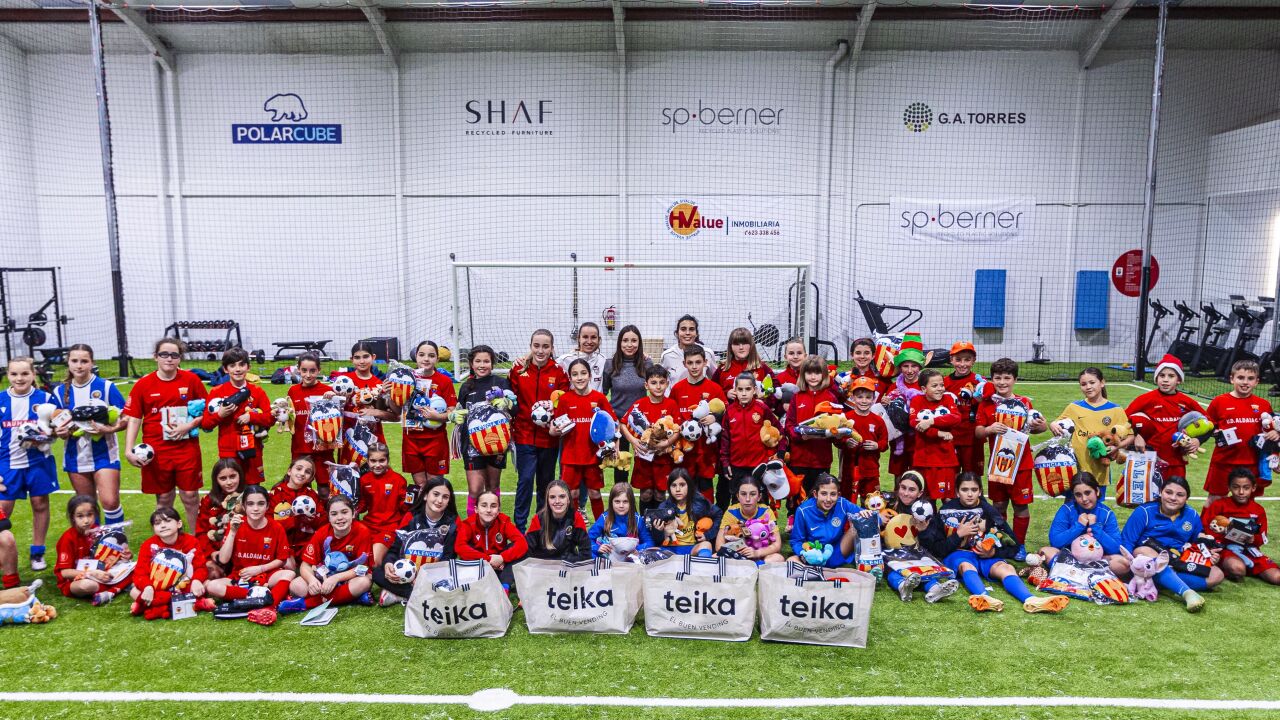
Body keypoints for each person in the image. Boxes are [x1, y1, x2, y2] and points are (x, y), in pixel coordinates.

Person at [921, 473, 1069, 614]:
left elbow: (1014, 545)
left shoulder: (988, 511)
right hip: (959, 556)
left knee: (1006, 567)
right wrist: (958, 535)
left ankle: (1031, 599)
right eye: (964, 490)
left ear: (980, 491)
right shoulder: (945, 511)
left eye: (974, 489)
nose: (970, 494)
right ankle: (983, 597)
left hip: (985, 556)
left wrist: (993, 552)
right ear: (957, 492)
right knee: (966, 566)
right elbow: (936, 549)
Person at [123, 338, 208, 526]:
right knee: (164, 497)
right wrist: (128, 450)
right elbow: (135, 418)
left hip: (186, 449)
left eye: (174, 355)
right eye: (164, 354)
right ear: (156, 357)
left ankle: (196, 537)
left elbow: (208, 411)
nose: (169, 359)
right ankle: (166, 536)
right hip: (157, 451)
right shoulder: (143, 384)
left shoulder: (191, 380)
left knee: (190, 495)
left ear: (180, 358)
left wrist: (189, 425)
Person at [974, 357, 1047, 560]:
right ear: (992, 379)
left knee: (1020, 505)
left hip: (1021, 464)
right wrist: (989, 429)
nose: (1002, 382)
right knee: (998, 506)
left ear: (1015, 379)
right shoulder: (986, 405)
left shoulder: (1024, 403)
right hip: (999, 465)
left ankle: (1019, 544)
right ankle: (1000, 540)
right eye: (997, 378)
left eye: (1007, 378)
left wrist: (1042, 425)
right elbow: (978, 432)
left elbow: (1039, 428)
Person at [1120, 475, 1224, 612]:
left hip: (1178, 561)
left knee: (1217, 575)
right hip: (1148, 559)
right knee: (1143, 552)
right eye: (1168, 492)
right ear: (1160, 492)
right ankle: (1187, 593)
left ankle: (1164, 581)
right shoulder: (1144, 512)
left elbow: (1198, 542)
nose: (1173, 498)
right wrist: (1128, 566)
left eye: (1180, 495)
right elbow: (1127, 542)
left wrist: (1209, 556)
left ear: (1186, 498)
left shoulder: (1192, 515)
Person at [53, 344, 127, 527]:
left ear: (92, 363)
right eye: (74, 361)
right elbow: (56, 426)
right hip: (75, 456)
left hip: (105, 453)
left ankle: (115, 539)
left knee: (110, 501)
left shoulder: (106, 387)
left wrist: (109, 430)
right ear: (68, 362)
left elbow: (127, 418)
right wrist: (61, 432)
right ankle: (95, 541)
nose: (79, 365)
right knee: (87, 506)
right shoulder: (59, 392)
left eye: (84, 361)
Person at [0, 356, 62, 570]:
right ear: (8, 375)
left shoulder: (45, 398)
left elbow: (58, 429)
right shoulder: (1, 400)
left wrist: (45, 437)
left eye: (25, 373)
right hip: (7, 464)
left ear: (33, 375)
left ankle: (38, 552)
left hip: (38, 462)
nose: (19, 378)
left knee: (40, 504)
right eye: (14, 374)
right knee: (3, 510)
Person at [509, 329, 569, 531]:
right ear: (530, 347)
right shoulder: (518, 370)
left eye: (545, 346)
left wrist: (554, 420)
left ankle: (541, 528)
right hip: (524, 436)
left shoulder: (559, 372)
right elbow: (511, 401)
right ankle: (519, 528)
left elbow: (564, 403)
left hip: (549, 438)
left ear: (552, 348)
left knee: (545, 483)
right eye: (536, 346)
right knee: (525, 480)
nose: (540, 350)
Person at [206, 485, 295, 620]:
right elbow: (223, 559)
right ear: (243, 506)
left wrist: (259, 568)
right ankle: (260, 598)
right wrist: (232, 532)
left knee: (289, 573)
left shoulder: (276, 527)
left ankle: (268, 607)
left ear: (267, 506)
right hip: (241, 577)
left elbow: (281, 560)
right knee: (212, 586)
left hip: (266, 575)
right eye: (250, 504)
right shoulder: (236, 525)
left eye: (261, 504)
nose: (255, 508)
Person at [279, 495, 375, 613]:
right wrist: (311, 580)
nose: (340, 518)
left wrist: (336, 578)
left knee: (364, 582)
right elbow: (305, 565)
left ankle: (306, 604)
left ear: (353, 513)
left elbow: (362, 568)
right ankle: (350, 598)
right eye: (334, 514)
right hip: (325, 577)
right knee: (296, 585)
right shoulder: (322, 533)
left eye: (344, 512)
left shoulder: (363, 532)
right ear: (328, 517)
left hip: (350, 577)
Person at [374, 476, 459, 605]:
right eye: (435, 494)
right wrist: (388, 564)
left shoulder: (453, 522)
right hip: (408, 572)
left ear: (449, 501)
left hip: (436, 573)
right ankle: (421, 596)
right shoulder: (411, 517)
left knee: (454, 578)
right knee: (377, 573)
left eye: (445, 497)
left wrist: (425, 575)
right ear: (425, 495)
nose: (439, 500)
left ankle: (401, 595)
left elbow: (448, 558)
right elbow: (395, 549)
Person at [1125, 354, 1205, 490]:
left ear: (1179, 380)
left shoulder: (1187, 402)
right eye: (1162, 375)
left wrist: (1197, 440)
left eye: (1171, 376)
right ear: (1156, 378)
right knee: (1146, 498)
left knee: (1174, 497)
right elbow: (1123, 420)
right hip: (1147, 460)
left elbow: (1208, 423)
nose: (1165, 380)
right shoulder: (1145, 399)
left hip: (1176, 462)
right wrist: (1137, 435)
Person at [1051, 368, 1132, 498]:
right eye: (1083, 384)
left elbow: (1130, 436)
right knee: (1073, 505)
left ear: (1102, 383)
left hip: (1099, 471)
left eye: (1092, 382)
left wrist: (1116, 447)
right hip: (1075, 469)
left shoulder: (1116, 410)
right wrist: (1053, 425)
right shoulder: (1074, 407)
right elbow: (1057, 423)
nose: (1088, 387)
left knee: (1095, 507)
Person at [550, 358, 615, 519]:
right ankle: (572, 526)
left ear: (590, 375)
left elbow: (612, 424)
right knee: (571, 493)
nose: (579, 378)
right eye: (575, 374)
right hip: (570, 457)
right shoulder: (565, 399)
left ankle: (601, 527)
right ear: (570, 378)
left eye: (583, 373)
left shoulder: (599, 398)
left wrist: (614, 446)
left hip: (593, 456)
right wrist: (553, 430)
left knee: (594, 493)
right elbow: (556, 426)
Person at [1204, 360, 1277, 501]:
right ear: (1232, 379)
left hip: (1252, 462)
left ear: (1257, 382)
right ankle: (1209, 518)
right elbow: (1207, 427)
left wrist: (1275, 433)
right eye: (1241, 377)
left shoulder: (1264, 405)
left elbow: (1273, 429)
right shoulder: (1219, 402)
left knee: (1247, 500)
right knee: (1215, 499)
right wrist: (1214, 433)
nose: (1245, 382)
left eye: (1250, 378)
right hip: (1223, 462)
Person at [1031, 473, 1127, 578]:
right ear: (1074, 495)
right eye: (1078, 495)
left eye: (1087, 493)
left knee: (1123, 563)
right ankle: (1093, 574)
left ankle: (1073, 574)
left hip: (1098, 559)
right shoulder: (1067, 510)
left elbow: (1116, 548)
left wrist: (1096, 528)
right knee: (1046, 552)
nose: (1084, 499)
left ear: (1097, 491)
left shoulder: (1107, 513)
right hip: (1070, 558)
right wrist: (1079, 526)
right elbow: (1055, 542)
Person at [390, 341, 456, 491]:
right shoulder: (404, 378)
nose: (426, 359)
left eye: (431, 355)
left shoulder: (444, 381)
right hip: (411, 439)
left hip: (435, 440)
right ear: (416, 356)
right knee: (420, 486)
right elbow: (397, 411)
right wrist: (392, 395)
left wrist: (437, 416)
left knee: (435, 486)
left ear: (437, 359)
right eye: (422, 355)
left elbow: (452, 412)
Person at [200, 347, 273, 485]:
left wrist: (252, 417)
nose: (238, 369)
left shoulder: (257, 391)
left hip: (252, 451)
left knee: (253, 490)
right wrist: (219, 415)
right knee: (230, 490)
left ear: (248, 367)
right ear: (225, 369)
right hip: (228, 451)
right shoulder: (217, 392)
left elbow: (270, 418)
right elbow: (205, 424)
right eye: (232, 365)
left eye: (241, 364)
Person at [454, 344, 512, 515]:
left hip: (496, 442)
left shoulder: (501, 383)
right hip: (472, 445)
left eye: (486, 361)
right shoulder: (466, 387)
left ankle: (494, 524)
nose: (482, 365)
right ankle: (472, 526)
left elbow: (514, 408)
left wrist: (506, 403)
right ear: (471, 364)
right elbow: (459, 411)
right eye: (478, 361)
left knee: (493, 487)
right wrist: (455, 415)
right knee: (475, 489)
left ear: (492, 363)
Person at [130, 506, 213, 620]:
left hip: (183, 586)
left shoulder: (191, 541)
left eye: (168, 521)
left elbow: (201, 567)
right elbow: (140, 573)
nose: (163, 525)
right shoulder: (148, 545)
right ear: (153, 528)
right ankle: (195, 604)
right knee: (134, 591)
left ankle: (152, 606)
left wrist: (197, 580)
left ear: (179, 524)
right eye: (157, 523)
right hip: (157, 588)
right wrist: (148, 587)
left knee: (206, 584)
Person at [669, 345, 729, 502]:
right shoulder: (677, 389)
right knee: (684, 486)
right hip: (685, 450)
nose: (694, 366)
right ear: (684, 364)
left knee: (705, 486)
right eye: (690, 363)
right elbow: (671, 415)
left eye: (698, 362)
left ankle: (706, 515)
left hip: (706, 449)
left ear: (705, 363)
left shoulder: (714, 388)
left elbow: (727, 413)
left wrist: (715, 417)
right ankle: (685, 516)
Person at [1200, 468, 1278, 585]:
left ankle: (1250, 566)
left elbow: (1262, 537)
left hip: (1250, 550)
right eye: (1236, 487)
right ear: (1229, 487)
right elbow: (1205, 530)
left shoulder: (1258, 510)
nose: (1241, 492)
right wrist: (1223, 534)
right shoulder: (1219, 505)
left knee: (1276, 577)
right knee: (1238, 569)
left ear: (1253, 488)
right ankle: (1230, 566)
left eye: (1246, 488)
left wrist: (1253, 539)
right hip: (1226, 549)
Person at [620, 366, 680, 514]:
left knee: (660, 494)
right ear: (646, 385)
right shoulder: (640, 404)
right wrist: (633, 441)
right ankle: (645, 523)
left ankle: (659, 524)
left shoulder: (671, 404)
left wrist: (666, 443)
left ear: (667, 384)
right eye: (653, 383)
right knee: (646, 494)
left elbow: (677, 430)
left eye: (662, 382)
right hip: (644, 459)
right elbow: (623, 424)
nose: (658, 386)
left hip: (663, 459)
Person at [54, 494, 132, 605]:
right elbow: (65, 573)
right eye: (80, 516)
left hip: (101, 573)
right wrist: (92, 573)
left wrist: (125, 556)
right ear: (72, 517)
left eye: (89, 515)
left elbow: (109, 558)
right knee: (87, 585)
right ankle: (115, 589)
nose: (86, 520)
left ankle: (111, 589)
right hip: (77, 579)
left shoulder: (99, 531)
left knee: (135, 567)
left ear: (95, 514)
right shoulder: (67, 538)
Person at [718, 373, 778, 509]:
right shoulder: (729, 412)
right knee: (737, 502)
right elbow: (725, 439)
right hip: (737, 466)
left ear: (754, 390)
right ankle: (738, 523)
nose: (744, 393)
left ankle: (763, 522)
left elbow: (777, 430)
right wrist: (725, 462)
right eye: (740, 389)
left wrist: (776, 454)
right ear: (735, 390)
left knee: (761, 502)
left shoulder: (762, 409)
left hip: (759, 465)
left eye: (748, 389)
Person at [789, 473, 874, 568]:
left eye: (833, 494)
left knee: (860, 523)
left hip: (836, 552)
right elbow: (796, 541)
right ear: (815, 494)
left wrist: (866, 514)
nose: (828, 499)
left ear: (838, 495)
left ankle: (867, 560)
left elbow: (874, 517)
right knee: (790, 561)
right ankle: (816, 568)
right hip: (814, 556)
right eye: (824, 493)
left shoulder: (842, 503)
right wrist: (805, 554)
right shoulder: (803, 510)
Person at [602, 325, 650, 487]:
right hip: (618, 424)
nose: (629, 344)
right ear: (619, 342)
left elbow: (656, 388)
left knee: (644, 463)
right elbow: (603, 394)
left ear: (639, 343)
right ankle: (621, 498)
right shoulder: (610, 364)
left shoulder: (646, 364)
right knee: (620, 466)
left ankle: (645, 499)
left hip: (639, 424)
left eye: (634, 341)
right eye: (625, 340)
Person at [334, 341, 396, 466]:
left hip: (374, 436)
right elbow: (333, 411)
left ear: (373, 357)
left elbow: (394, 416)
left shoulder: (380, 384)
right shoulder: (343, 382)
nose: (362, 361)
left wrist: (376, 410)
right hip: (349, 438)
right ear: (351, 359)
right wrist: (340, 400)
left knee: (375, 473)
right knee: (350, 474)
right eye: (357, 357)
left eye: (365, 357)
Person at [786, 355, 839, 499]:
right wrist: (800, 436)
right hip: (799, 459)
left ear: (824, 375)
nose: (813, 377)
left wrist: (835, 434)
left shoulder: (831, 398)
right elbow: (789, 425)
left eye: (817, 372)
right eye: (809, 373)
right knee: (798, 499)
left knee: (820, 499)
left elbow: (837, 423)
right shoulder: (797, 397)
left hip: (821, 460)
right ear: (803, 374)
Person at [455, 490, 527, 589]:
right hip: (479, 565)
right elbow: (459, 547)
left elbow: (522, 543)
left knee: (517, 548)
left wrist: (502, 558)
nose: (488, 510)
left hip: (500, 566)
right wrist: (488, 560)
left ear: (498, 510)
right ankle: (476, 582)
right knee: (467, 548)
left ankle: (504, 587)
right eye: (484, 505)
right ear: (476, 509)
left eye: (493, 506)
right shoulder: (468, 524)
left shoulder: (503, 522)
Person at [909, 369, 962, 501]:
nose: (940, 389)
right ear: (923, 389)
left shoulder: (948, 399)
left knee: (948, 499)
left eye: (942, 385)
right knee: (925, 499)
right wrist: (939, 433)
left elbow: (956, 417)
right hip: (923, 459)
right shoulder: (916, 400)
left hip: (946, 459)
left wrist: (931, 421)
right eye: (934, 386)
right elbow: (915, 424)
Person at [286, 352, 335, 491]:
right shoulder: (293, 391)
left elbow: (336, 421)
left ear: (319, 370)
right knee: (301, 487)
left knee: (325, 489)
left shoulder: (327, 391)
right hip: (300, 448)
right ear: (298, 369)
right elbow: (289, 416)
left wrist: (335, 398)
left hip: (323, 450)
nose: (308, 375)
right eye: (304, 370)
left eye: (312, 371)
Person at [356, 443, 408, 565]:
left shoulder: (399, 480)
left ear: (388, 460)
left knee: (374, 561)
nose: (377, 465)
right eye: (373, 461)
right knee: (350, 550)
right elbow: (363, 505)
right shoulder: (364, 480)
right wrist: (353, 509)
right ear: (367, 461)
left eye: (381, 460)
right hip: (368, 525)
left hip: (389, 527)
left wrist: (411, 500)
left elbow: (404, 508)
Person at [839, 377, 888, 503]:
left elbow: (884, 444)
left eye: (868, 397)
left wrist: (877, 445)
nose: (864, 401)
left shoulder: (878, 420)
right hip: (850, 469)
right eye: (860, 397)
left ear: (873, 399)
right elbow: (837, 439)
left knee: (871, 503)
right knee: (848, 501)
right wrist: (846, 442)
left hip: (871, 469)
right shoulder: (846, 418)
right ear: (853, 397)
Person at [885, 333, 927, 478]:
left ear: (920, 366)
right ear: (900, 367)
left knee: (919, 476)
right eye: (905, 366)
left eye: (914, 366)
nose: (910, 370)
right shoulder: (893, 387)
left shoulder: (926, 386)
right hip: (899, 441)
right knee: (899, 476)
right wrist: (886, 403)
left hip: (919, 441)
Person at [194, 458, 245, 580]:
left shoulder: (250, 496)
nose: (229, 482)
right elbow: (201, 532)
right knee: (213, 574)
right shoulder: (208, 501)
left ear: (240, 475)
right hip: (216, 552)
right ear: (216, 480)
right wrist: (211, 553)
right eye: (223, 478)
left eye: (232, 476)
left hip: (244, 551)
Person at [715, 475, 784, 564]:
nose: (747, 499)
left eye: (753, 494)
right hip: (737, 555)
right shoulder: (731, 512)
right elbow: (719, 545)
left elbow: (777, 544)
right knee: (715, 556)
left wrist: (757, 553)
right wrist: (739, 550)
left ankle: (757, 565)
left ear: (759, 497)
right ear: (738, 496)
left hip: (761, 555)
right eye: (743, 494)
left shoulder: (766, 511)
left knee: (778, 558)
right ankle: (749, 565)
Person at [268, 456, 324, 562]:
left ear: (310, 478)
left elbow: (323, 522)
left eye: (307, 472)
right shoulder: (276, 494)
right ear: (289, 471)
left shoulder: (312, 496)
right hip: (282, 544)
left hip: (306, 545)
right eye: (299, 469)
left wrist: (312, 521)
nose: (302, 473)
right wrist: (294, 521)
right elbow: (269, 524)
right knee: (288, 566)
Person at [651, 470, 719, 556]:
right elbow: (657, 540)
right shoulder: (663, 507)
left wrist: (708, 535)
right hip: (670, 549)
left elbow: (718, 514)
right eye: (674, 485)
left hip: (692, 548)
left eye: (682, 485)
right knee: (652, 550)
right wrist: (658, 531)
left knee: (706, 545)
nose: (678, 489)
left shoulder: (699, 503)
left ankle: (702, 563)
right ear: (669, 488)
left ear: (689, 486)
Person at [524, 480, 591, 562]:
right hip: (542, 566)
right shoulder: (538, 519)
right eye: (552, 497)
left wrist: (568, 563)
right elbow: (527, 550)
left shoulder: (576, 518)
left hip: (567, 566)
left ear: (568, 499)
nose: (557, 501)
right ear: (547, 500)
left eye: (562, 496)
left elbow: (586, 553)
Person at [943, 341, 983, 475]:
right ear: (951, 360)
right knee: (951, 474)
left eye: (967, 359)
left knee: (972, 476)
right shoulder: (944, 383)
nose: (962, 364)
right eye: (958, 359)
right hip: (951, 436)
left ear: (974, 360)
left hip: (972, 437)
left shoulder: (980, 382)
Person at [589, 482, 655, 557]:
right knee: (590, 555)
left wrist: (637, 549)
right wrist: (597, 547)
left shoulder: (638, 520)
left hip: (630, 558)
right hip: (608, 557)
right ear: (611, 502)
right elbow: (588, 539)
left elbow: (650, 542)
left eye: (625, 502)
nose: (621, 505)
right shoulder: (605, 518)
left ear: (631, 503)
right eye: (617, 501)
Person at [714, 327, 774, 394]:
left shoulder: (762, 367)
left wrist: (762, 399)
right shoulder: (723, 368)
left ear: (751, 345)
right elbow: (713, 392)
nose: (741, 347)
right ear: (730, 347)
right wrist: (726, 393)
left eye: (745, 343)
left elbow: (776, 392)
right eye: (736, 344)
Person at [659, 315, 714, 387]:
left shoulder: (707, 353)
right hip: (675, 394)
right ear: (677, 333)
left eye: (691, 329)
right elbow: (660, 380)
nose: (687, 333)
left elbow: (715, 379)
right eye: (683, 329)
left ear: (696, 333)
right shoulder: (667, 355)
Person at [558, 322, 606, 392]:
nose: (589, 341)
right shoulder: (564, 360)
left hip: (596, 399)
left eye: (593, 337)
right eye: (585, 337)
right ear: (579, 339)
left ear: (598, 339)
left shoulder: (603, 359)